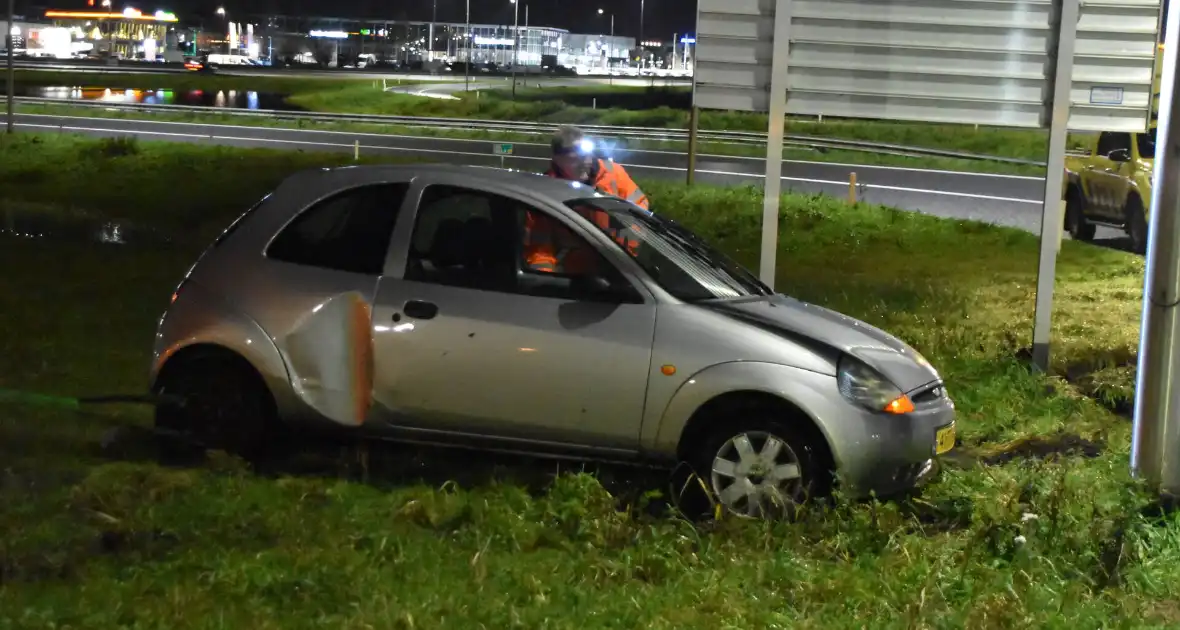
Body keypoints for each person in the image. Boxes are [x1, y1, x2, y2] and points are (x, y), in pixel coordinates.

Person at [524, 126, 648, 273]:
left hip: (617, 268)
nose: (586, 162)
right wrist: (546, 283)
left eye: (588, 155)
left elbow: (641, 214)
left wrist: (622, 259)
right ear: (557, 159)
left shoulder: (614, 174)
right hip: (570, 276)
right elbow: (539, 250)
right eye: (575, 158)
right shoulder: (544, 191)